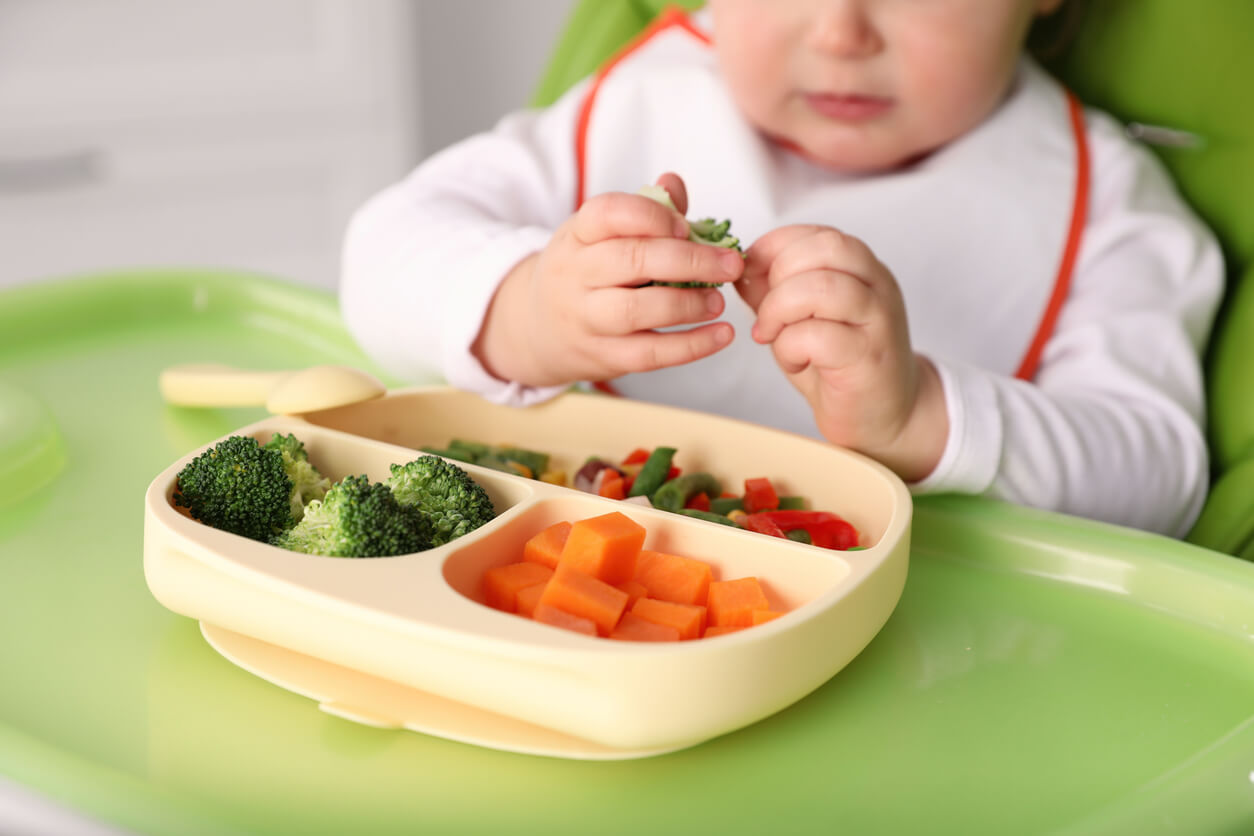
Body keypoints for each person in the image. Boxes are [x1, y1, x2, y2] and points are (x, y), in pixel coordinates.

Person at [340, 0, 1223, 538]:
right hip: (577, 565)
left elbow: (1161, 478)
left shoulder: (1105, 200)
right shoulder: (649, 100)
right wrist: (527, 310)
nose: (841, 32)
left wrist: (922, 415)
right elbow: (381, 250)